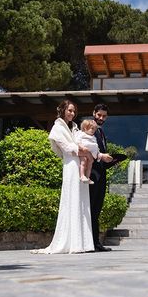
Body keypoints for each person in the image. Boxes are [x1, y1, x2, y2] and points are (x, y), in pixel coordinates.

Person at [31, 100, 94, 254]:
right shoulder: (57, 128)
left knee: (81, 200)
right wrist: (83, 151)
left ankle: (84, 243)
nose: (72, 113)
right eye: (70, 110)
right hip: (71, 165)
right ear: (63, 110)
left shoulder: (75, 128)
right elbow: (67, 148)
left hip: (80, 164)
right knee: (71, 199)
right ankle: (73, 243)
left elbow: (82, 141)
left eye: (74, 111)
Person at [89, 104, 114, 252]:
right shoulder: (88, 130)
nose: (101, 118)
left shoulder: (101, 132)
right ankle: (93, 243)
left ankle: (95, 242)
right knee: (92, 209)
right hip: (92, 175)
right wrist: (101, 157)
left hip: (101, 174)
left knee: (97, 209)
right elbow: (84, 149)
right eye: (99, 115)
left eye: (104, 116)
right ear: (94, 113)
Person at [75, 119, 99, 184]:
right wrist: (82, 147)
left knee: (89, 165)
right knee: (83, 162)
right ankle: (82, 176)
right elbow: (77, 141)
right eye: (92, 128)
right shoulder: (81, 134)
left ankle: (87, 177)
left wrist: (97, 154)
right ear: (85, 128)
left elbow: (96, 146)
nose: (93, 131)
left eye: (94, 129)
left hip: (90, 154)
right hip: (83, 152)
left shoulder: (93, 137)